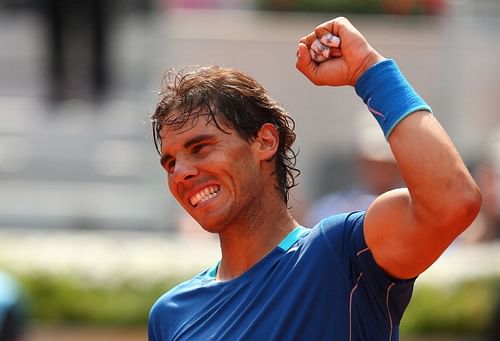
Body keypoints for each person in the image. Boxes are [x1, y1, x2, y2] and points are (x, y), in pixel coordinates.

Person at [148, 17, 481, 340]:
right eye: (170, 162)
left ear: (265, 142)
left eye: (201, 148)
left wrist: (369, 70)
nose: (181, 172)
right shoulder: (170, 314)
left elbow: (451, 201)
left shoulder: (342, 252)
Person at [305, 114, 403, 226]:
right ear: (359, 162)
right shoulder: (327, 210)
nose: (378, 171)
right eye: (371, 163)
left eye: (386, 165)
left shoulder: (415, 208)